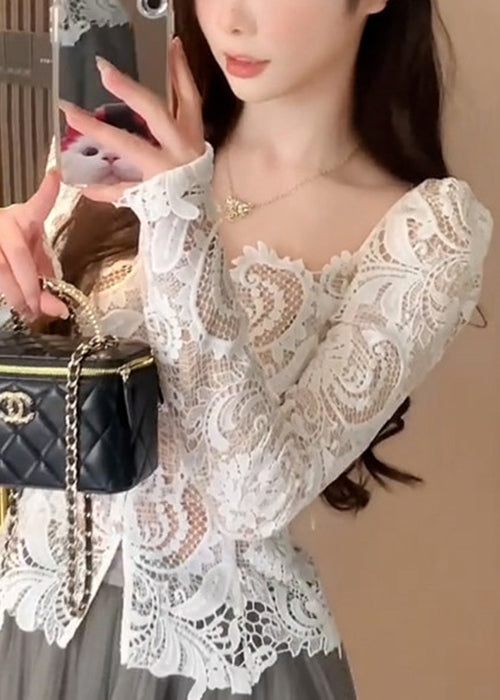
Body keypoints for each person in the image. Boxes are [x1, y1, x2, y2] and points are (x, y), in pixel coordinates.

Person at [0, 0, 493, 699]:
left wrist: (178, 218)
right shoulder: (115, 144)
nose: (230, 18)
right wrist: (12, 291)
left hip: (217, 668)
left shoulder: (426, 230)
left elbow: (253, 498)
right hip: (31, 634)